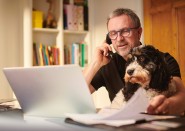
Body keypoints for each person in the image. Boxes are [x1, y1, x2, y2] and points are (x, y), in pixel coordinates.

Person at [83, 8, 185, 115]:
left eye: (125, 31)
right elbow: (75, 93)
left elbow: (182, 97)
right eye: (113, 33)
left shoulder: (163, 59)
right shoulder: (107, 63)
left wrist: (166, 105)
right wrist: (95, 63)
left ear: (139, 32)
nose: (119, 39)